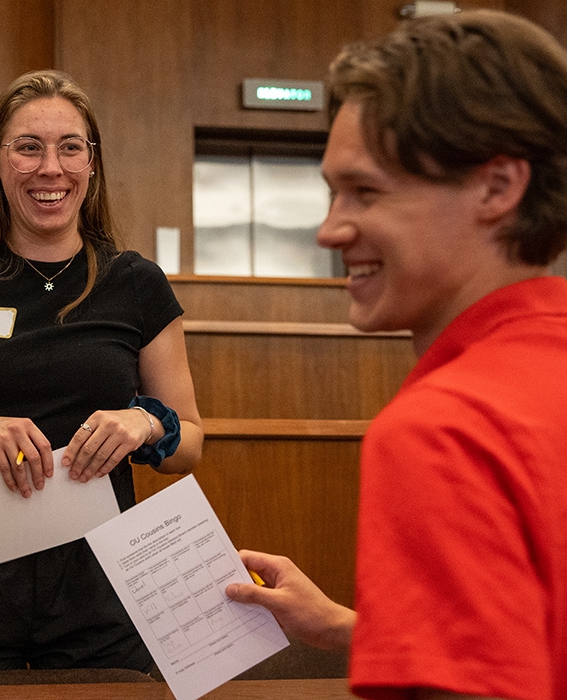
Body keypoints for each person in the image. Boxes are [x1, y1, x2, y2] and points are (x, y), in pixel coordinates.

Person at [225, 9, 567, 700]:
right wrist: (356, 627)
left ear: (497, 188)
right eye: (332, 191)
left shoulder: (442, 431)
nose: (329, 230)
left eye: (367, 191)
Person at [0, 69, 203, 671]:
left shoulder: (136, 282)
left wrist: (144, 424)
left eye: (70, 147)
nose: (51, 168)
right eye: (29, 147)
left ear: (91, 163)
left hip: (100, 575)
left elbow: (190, 442)